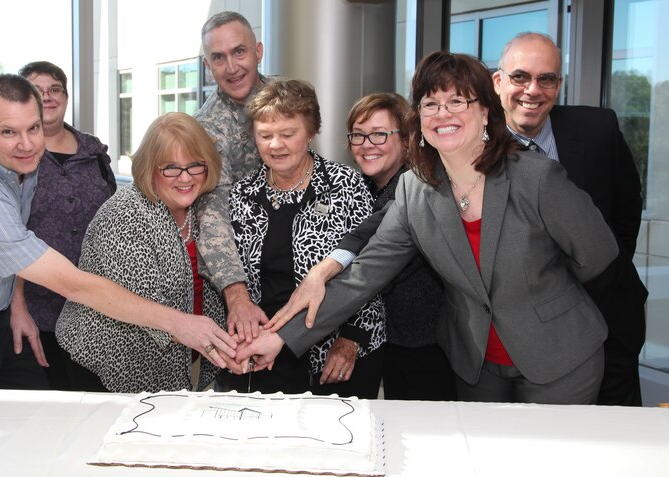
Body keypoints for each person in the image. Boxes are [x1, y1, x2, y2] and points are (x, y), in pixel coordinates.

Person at [239, 52, 620, 405]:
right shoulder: (415, 190)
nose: (442, 114)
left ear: (486, 111)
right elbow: (365, 276)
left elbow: (597, 255)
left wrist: (543, 291)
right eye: (430, 105)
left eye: (457, 102)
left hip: (559, 356)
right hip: (476, 366)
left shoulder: (536, 177)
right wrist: (279, 340)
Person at [0, 74, 236, 390]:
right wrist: (181, 324)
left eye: (33, 128)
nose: (26, 144)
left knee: (34, 421)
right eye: (8, 132)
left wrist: (14, 304)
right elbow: (71, 283)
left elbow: (13, 240)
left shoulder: (18, 161)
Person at [493, 32, 647, 406]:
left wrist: (605, 271)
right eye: (520, 77)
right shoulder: (474, 146)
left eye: (546, 78)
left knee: (617, 445)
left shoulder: (599, 130)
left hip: (607, 318)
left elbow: (626, 209)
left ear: (559, 85)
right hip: (519, 338)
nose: (533, 89)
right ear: (497, 82)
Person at [223, 79, 385, 398]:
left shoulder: (345, 185)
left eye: (287, 133)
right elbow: (230, 275)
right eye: (265, 135)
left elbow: (370, 267)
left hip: (331, 351)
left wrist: (351, 339)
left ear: (310, 132)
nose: (276, 145)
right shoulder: (241, 195)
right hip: (260, 351)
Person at [55, 112, 230, 393]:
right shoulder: (125, 216)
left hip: (179, 361)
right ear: (150, 169)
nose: (185, 178)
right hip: (107, 367)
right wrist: (227, 346)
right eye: (170, 168)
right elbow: (148, 309)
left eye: (195, 166)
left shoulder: (203, 208)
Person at [8, 61, 117, 390]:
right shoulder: (16, 159)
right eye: (37, 91)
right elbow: (8, 239)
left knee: (94, 405)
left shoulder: (94, 153)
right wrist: (18, 306)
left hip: (95, 311)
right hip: (38, 313)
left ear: (66, 97)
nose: (48, 97)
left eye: (55, 89)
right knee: (49, 410)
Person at [344, 93, 456, 401]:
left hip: (424, 344)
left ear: (406, 141)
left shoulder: (420, 189)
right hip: (386, 342)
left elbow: (376, 269)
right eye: (358, 134)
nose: (367, 144)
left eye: (380, 134)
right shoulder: (357, 188)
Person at [193, 11, 270, 343]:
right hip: (242, 277)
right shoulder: (203, 129)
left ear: (258, 51)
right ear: (208, 66)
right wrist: (237, 295)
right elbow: (212, 214)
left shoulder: (290, 99)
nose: (232, 67)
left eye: (239, 51)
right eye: (218, 58)